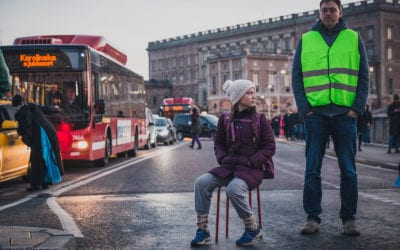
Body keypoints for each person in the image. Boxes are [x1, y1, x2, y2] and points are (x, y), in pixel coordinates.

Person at [292, 0, 369, 236]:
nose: (328, 13)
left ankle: (349, 220)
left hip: (345, 114)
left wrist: (356, 108)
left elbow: (364, 76)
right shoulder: (306, 40)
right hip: (316, 115)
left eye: (332, 10)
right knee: (312, 169)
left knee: (348, 169)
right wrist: (305, 109)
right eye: (324, 10)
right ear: (319, 12)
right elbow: (297, 77)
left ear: (340, 12)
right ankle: (312, 218)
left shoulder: (353, 38)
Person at [191, 79, 276, 247]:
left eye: (253, 92)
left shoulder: (260, 119)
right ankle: (203, 231)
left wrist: (252, 161)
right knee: (201, 183)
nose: (253, 96)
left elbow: (269, 147)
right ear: (238, 97)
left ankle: (252, 228)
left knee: (233, 189)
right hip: (229, 167)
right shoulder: (225, 119)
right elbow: (219, 144)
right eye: (249, 93)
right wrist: (222, 159)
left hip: (252, 168)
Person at [12, 94, 64, 191]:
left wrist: (18, 132)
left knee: (36, 159)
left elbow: (24, 127)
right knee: (47, 157)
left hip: (39, 135)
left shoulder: (20, 113)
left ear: (15, 105)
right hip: (49, 131)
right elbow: (46, 108)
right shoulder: (32, 106)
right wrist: (57, 109)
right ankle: (45, 182)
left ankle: (36, 184)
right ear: (22, 102)